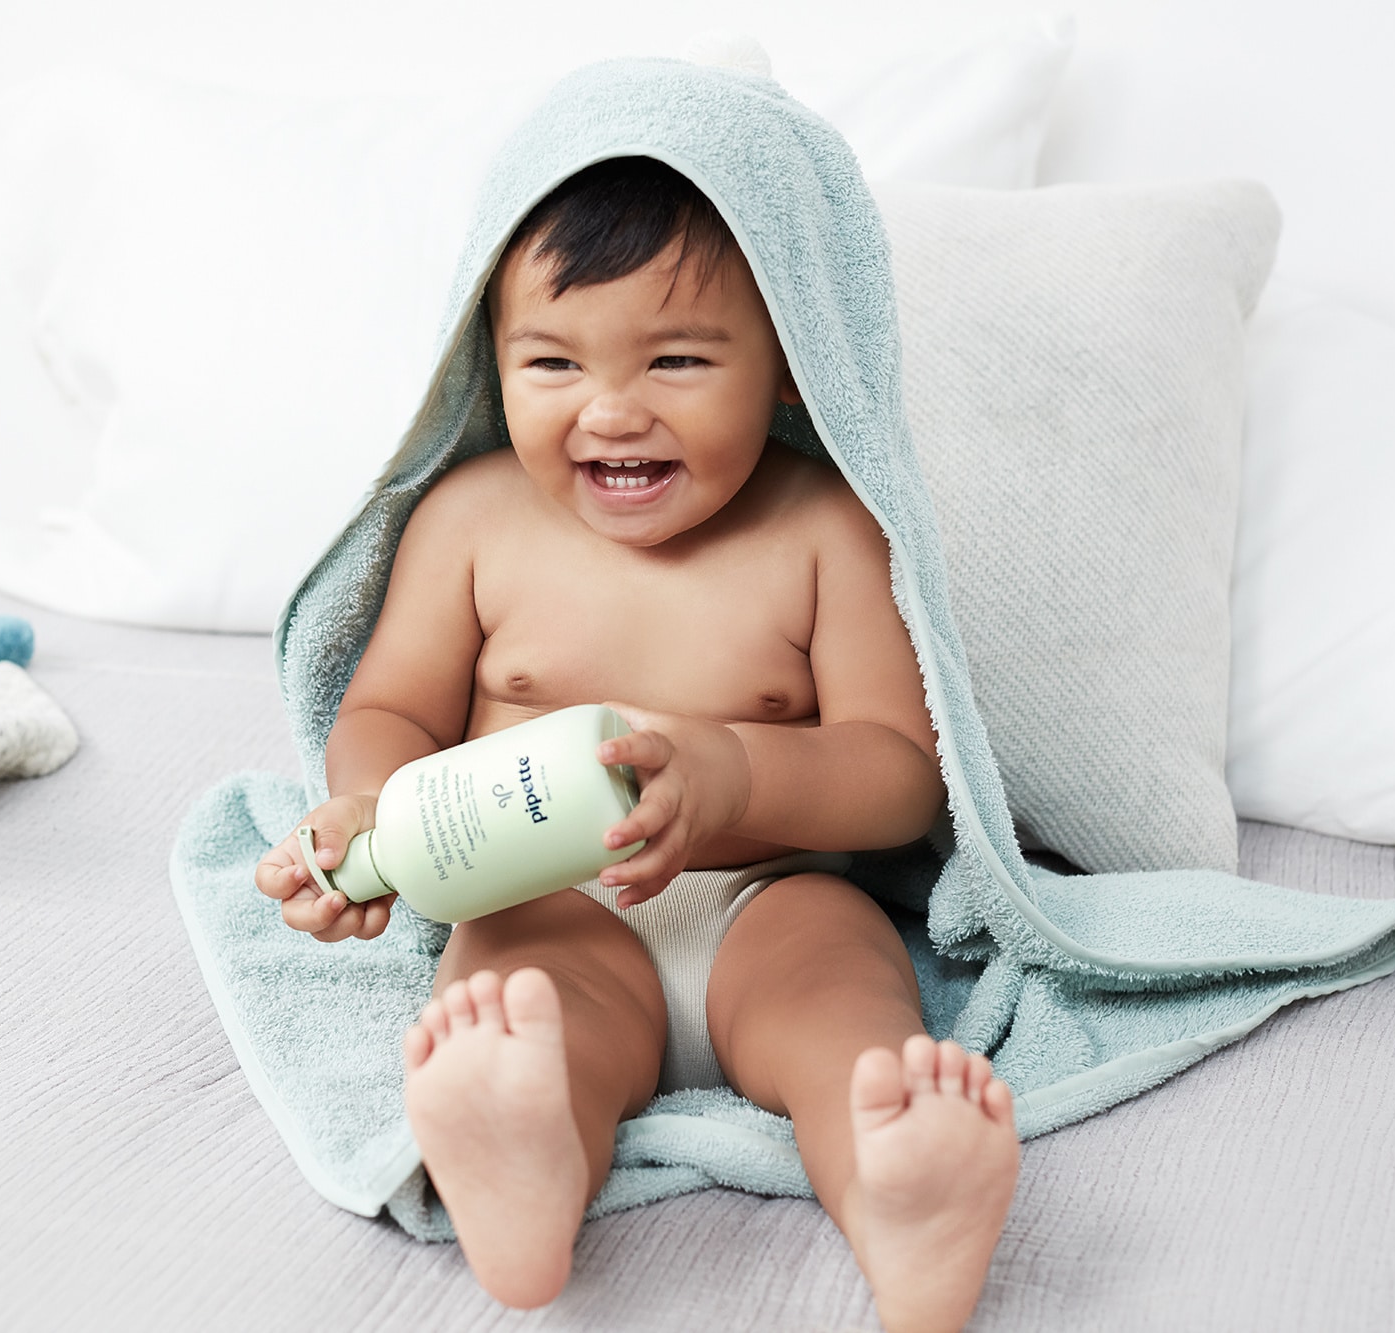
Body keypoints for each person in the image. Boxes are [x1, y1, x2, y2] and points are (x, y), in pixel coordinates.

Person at [255, 156, 1018, 1333]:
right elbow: (387, 712)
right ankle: (523, 1167)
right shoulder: (468, 522)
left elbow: (898, 776)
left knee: (844, 1015)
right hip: (547, 892)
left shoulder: (823, 530)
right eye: (553, 362)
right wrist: (365, 811)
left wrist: (736, 773)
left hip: (765, 894)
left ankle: (900, 1198)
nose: (610, 409)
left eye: (675, 359)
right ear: (490, 360)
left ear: (787, 372)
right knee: (524, 1006)